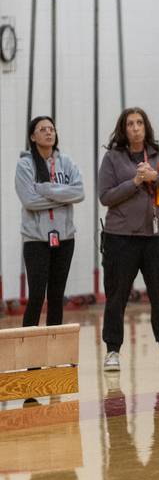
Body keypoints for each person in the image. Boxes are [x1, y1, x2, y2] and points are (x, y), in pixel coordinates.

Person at [98, 107, 159, 372]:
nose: (135, 128)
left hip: (157, 235)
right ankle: (112, 351)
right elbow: (105, 196)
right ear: (123, 129)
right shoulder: (113, 158)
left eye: (139, 123)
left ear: (146, 127)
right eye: (130, 124)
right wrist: (135, 181)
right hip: (120, 237)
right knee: (117, 296)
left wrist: (155, 177)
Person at [15, 116, 84, 327]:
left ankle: (54, 353)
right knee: (36, 296)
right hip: (36, 240)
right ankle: (29, 354)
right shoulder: (25, 165)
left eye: (51, 129)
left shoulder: (67, 162)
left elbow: (79, 192)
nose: (48, 132)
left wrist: (46, 189)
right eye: (42, 129)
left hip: (65, 239)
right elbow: (29, 201)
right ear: (32, 137)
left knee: (56, 296)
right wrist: (62, 197)